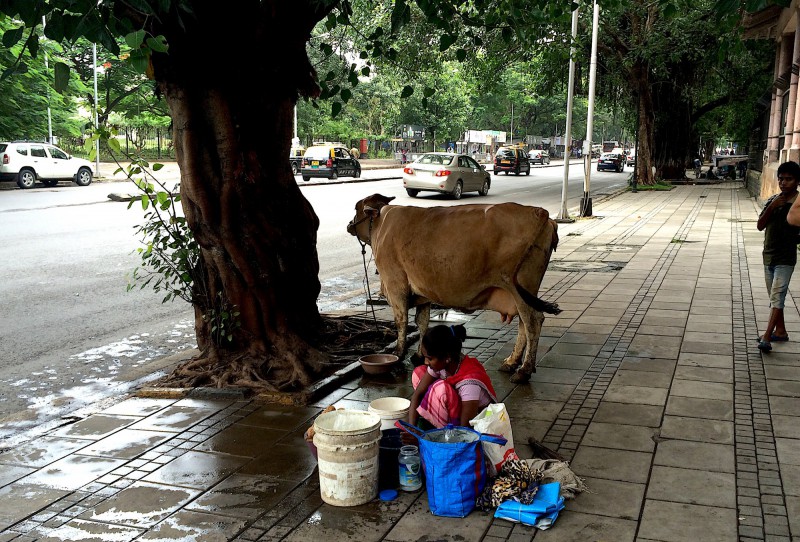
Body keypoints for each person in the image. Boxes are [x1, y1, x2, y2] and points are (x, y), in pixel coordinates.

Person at [407, 324, 497, 430]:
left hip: (477, 426)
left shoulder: (469, 384)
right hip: (460, 409)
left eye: (429, 358)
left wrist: (421, 438)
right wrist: (411, 429)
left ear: (447, 358)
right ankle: (435, 419)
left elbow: (465, 430)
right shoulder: (444, 363)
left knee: (441, 389)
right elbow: (417, 394)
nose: (426, 362)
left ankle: (443, 429)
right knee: (419, 372)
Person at [756, 161, 800, 352]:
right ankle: (780, 331)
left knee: (777, 296)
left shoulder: (798, 204)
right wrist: (772, 206)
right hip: (769, 256)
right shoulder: (774, 199)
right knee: (775, 297)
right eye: (781, 179)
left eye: (788, 179)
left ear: (797, 181)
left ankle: (766, 336)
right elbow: (760, 225)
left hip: (786, 258)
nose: (783, 183)